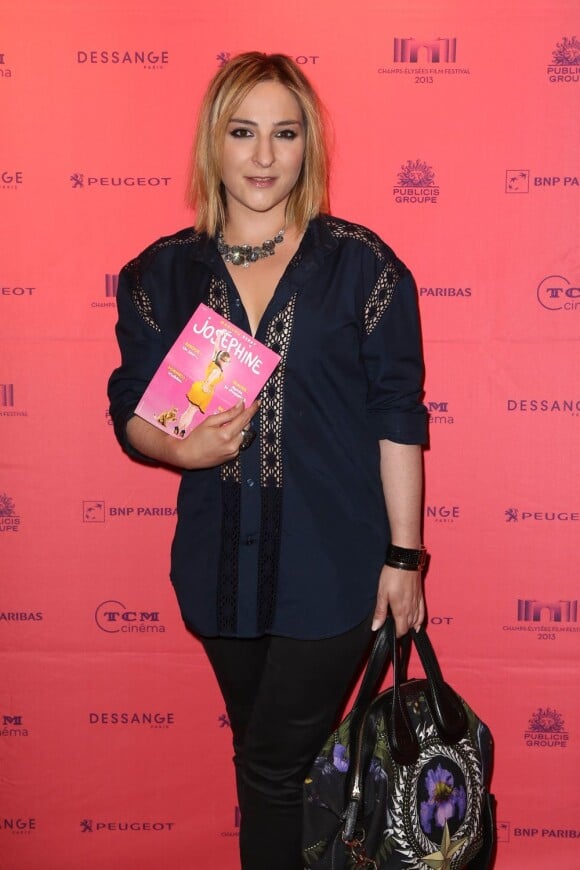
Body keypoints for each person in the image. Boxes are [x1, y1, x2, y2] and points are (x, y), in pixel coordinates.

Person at [108, 51, 427, 870]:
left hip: (333, 566)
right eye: (242, 132)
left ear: (308, 145)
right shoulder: (160, 273)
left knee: (275, 767)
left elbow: (398, 415)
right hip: (216, 568)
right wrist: (181, 447)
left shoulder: (364, 266)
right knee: (262, 759)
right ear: (213, 143)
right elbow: (132, 410)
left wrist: (404, 557)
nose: (262, 156)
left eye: (284, 134)